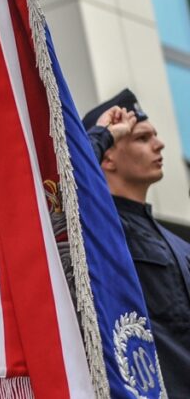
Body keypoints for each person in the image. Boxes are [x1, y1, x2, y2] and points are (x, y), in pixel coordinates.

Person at [82, 89, 190, 397]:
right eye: (142, 138)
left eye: (154, 136)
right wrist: (102, 134)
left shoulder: (179, 246)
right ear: (108, 157)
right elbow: (67, 184)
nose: (160, 144)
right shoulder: (101, 228)